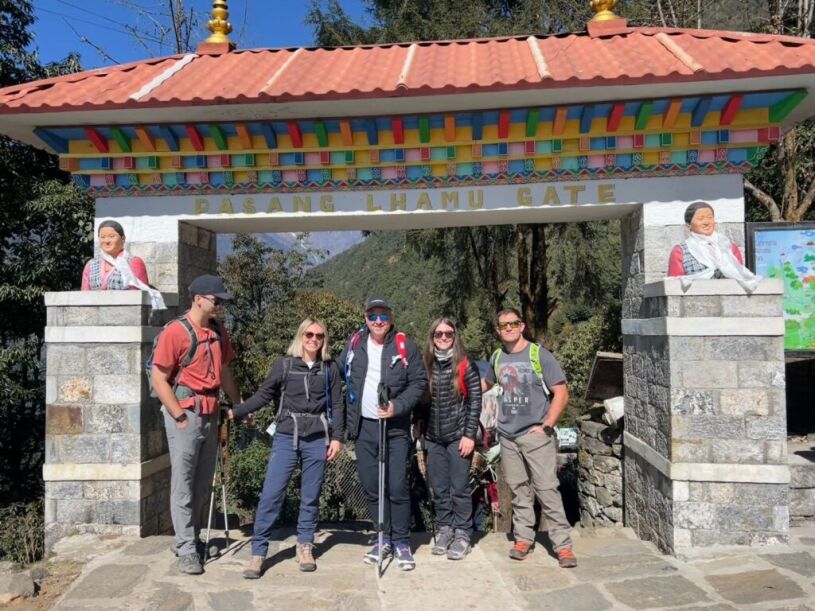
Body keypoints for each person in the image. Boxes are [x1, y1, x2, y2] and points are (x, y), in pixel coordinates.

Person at [231, 318, 344, 579]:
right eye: (309, 334)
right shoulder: (284, 366)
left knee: (310, 496)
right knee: (271, 495)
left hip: (318, 438)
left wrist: (337, 438)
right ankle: (258, 553)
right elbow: (263, 395)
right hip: (285, 437)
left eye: (319, 336)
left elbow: (338, 405)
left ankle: (305, 545)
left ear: (324, 340)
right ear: (300, 336)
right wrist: (235, 412)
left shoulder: (330, 369)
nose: (314, 340)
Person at [151, 274, 241, 575]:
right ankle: (188, 548)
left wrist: (238, 404)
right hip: (186, 415)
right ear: (198, 298)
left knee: (202, 484)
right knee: (184, 484)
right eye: (216, 299)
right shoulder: (176, 333)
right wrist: (177, 415)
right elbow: (159, 378)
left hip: (211, 413)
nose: (219, 305)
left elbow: (225, 372)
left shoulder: (218, 332)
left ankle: (191, 539)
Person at [340, 297, 426, 570]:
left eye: (383, 316)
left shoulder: (405, 346)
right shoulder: (354, 345)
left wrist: (397, 406)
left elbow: (419, 382)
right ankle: (382, 537)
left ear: (390, 318)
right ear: (365, 318)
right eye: (373, 316)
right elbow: (341, 376)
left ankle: (401, 540)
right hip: (364, 427)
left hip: (395, 428)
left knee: (397, 486)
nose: (378, 321)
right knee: (371, 486)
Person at [492, 308, 577, 568]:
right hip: (508, 437)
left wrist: (547, 425)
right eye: (503, 325)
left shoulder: (539, 355)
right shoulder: (497, 357)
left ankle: (563, 546)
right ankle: (523, 539)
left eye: (513, 323)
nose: (508, 328)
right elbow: (481, 385)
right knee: (519, 491)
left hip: (535, 435)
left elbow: (561, 393)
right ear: (498, 330)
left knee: (546, 489)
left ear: (522, 326)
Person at [418, 318, 482, 560]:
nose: (443, 338)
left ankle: (463, 533)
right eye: (438, 334)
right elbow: (422, 400)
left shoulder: (465, 365)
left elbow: (476, 401)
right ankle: (445, 529)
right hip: (433, 438)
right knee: (439, 488)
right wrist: (418, 424)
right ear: (432, 337)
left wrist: (469, 434)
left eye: (448, 334)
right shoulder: (426, 365)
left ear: (455, 336)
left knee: (460, 488)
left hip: (457, 437)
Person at [667, 201, 759, 290]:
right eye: (701, 219)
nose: (707, 222)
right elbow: (673, 285)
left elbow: (740, 275)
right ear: (688, 225)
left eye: (710, 217)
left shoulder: (728, 247)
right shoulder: (680, 251)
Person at [81, 219, 165, 309]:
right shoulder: (91, 265)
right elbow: (84, 296)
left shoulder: (133, 263)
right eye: (102, 237)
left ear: (123, 238)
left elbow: (139, 297)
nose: (106, 241)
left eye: (111, 236)